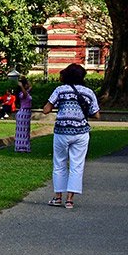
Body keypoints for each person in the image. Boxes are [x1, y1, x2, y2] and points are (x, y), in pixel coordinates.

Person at [42, 63, 100, 208]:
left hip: (62, 132)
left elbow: (46, 110)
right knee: (77, 165)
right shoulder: (88, 92)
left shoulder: (60, 90)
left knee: (59, 164)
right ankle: (69, 200)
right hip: (81, 133)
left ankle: (57, 197)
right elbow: (96, 115)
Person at [12, 76, 35, 153]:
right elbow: (25, 94)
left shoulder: (27, 92)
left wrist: (25, 80)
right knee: (21, 131)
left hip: (27, 113)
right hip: (23, 113)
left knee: (26, 130)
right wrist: (21, 86)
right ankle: (20, 147)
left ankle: (25, 147)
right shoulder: (22, 94)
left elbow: (31, 86)